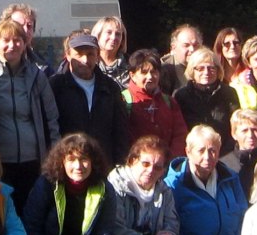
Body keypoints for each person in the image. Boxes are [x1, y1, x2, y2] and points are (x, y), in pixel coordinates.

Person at [0, 17, 58, 212]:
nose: (12, 45)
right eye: (6, 40)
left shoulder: (37, 75)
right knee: (2, 212)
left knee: (31, 211)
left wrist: (54, 154)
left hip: (32, 160)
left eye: (17, 40)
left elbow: (52, 117)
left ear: (24, 44)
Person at [48, 31, 129, 167]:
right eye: (79, 54)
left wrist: (120, 164)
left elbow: (120, 130)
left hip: (103, 165)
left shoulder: (110, 87)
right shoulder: (56, 86)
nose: (85, 60)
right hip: (69, 165)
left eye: (90, 54)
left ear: (97, 55)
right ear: (68, 55)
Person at [123, 48, 188, 160]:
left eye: (154, 72)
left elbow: (180, 134)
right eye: (144, 72)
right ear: (132, 75)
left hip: (166, 165)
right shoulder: (123, 100)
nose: (150, 77)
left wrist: (169, 160)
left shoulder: (169, 102)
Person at [173, 48, 240, 149]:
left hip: (225, 152)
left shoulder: (229, 93)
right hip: (192, 152)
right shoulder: (181, 95)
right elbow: (178, 130)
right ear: (192, 70)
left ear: (218, 70)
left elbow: (236, 125)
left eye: (211, 68)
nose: (206, 72)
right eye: (200, 68)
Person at [220, 108, 257, 183]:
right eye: (244, 130)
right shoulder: (224, 165)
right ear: (234, 134)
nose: (250, 135)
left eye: (255, 130)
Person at [159, 24, 204, 94]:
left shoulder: (208, 67)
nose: (192, 49)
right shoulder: (164, 70)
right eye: (186, 45)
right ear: (173, 47)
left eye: (196, 45)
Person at [92, 16, 130, 87]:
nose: (113, 38)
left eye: (118, 34)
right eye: (109, 32)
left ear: (122, 39)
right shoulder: (90, 63)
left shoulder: (130, 64)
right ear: (98, 35)